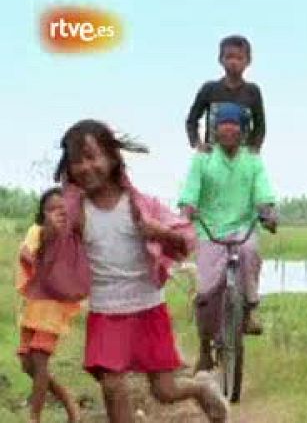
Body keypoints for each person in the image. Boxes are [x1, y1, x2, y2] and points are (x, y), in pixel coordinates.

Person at [44, 119, 229, 423]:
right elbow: (54, 254)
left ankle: (201, 388)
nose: (85, 167)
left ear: (112, 157)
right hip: (105, 312)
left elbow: (185, 240)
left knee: (165, 390)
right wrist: (51, 234)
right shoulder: (75, 211)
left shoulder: (140, 206)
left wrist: (159, 232)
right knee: (112, 386)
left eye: (91, 157)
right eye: (77, 161)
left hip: (147, 309)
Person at [178, 102, 278, 373]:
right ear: (215, 130)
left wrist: (268, 213)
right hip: (209, 230)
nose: (229, 130)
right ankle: (204, 350)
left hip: (243, 227)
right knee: (206, 293)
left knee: (249, 252)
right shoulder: (203, 159)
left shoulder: (252, 160)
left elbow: (263, 194)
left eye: (234, 125)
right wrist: (186, 212)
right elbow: (190, 193)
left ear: (243, 130)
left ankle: (249, 310)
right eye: (223, 124)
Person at [16, 187, 81, 423]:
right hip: (34, 307)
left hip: (54, 307)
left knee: (39, 358)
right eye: (51, 209)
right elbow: (25, 253)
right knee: (27, 364)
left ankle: (34, 417)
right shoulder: (37, 231)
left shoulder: (71, 240)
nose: (57, 213)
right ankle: (68, 400)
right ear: (43, 213)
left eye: (62, 209)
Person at [186, 34, 266, 153]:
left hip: (242, 157)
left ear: (248, 61)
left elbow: (260, 125)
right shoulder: (209, 89)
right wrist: (198, 144)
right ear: (220, 59)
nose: (234, 62)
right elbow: (192, 120)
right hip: (213, 155)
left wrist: (255, 148)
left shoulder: (252, 91)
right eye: (229, 57)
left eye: (239, 58)